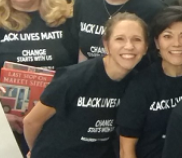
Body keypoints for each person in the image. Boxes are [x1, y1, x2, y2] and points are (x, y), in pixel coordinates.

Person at [23, 12, 149, 158]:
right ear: (106, 44)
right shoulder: (74, 77)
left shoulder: (138, 83)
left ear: (146, 47)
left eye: (137, 40)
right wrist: (36, 150)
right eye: (120, 39)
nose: (129, 46)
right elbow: (32, 121)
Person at [117, 6, 182, 158]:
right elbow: (126, 148)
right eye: (167, 36)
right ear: (157, 43)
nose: (177, 44)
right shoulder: (141, 84)